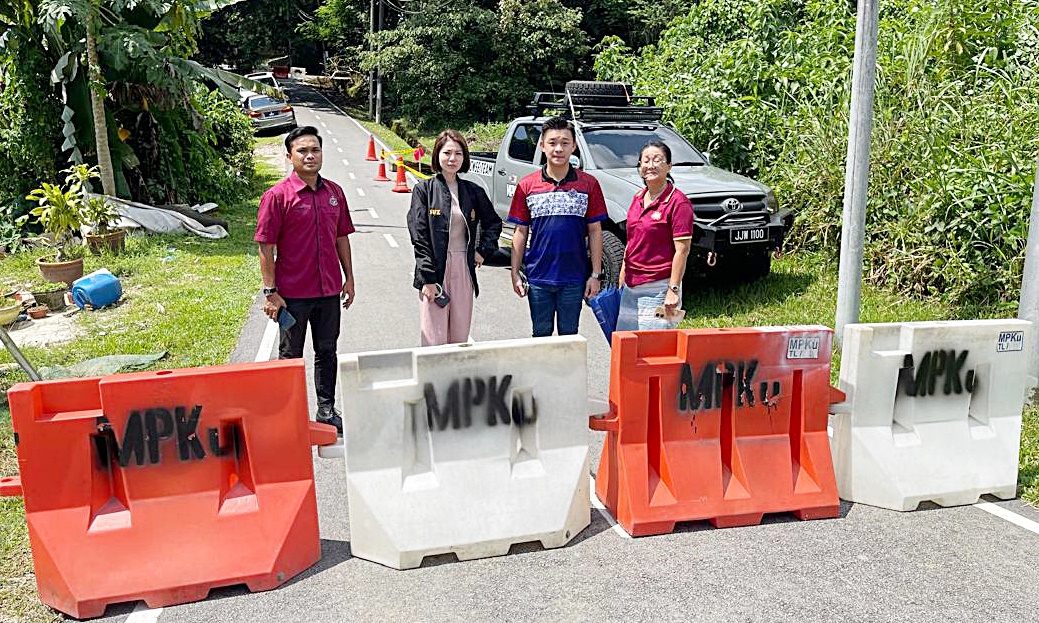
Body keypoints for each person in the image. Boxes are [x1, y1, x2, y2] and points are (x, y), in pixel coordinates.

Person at [255, 126, 355, 435]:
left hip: (328, 292)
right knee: (290, 356)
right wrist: (270, 292)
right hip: (292, 296)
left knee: (327, 351)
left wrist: (349, 278)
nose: (310, 155)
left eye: (315, 150)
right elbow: (265, 247)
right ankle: (289, 415)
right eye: (302, 151)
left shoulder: (335, 193)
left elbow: (341, 237)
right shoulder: (276, 197)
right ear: (289, 156)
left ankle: (326, 409)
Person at [508, 116, 607, 337]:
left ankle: (567, 374)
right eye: (552, 142)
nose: (558, 149)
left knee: (569, 337)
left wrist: (596, 274)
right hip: (538, 277)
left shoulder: (589, 184)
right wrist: (515, 272)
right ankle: (540, 374)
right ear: (542, 146)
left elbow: (595, 230)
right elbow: (520, 231)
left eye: (564, 143)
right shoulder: (527, 185)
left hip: (574, 277)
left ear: (574, 146)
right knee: (540, 336)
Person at [408, 129, 503, 346]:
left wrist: (482, 252)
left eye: (458, 153)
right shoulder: (424, 190)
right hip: (434, 269)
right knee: (434, 338)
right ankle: (433, 380)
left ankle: (455, 379)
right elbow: (419, 237)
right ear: (437, 155)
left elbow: (494, 223)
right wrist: (428, 279)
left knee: (459, 337)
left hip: (463, 266)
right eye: (447, 153)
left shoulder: (473, 191)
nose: (452, 159)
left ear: (465, 157)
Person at [616, 141, 694, 331]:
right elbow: (632, 240)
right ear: (640, 167)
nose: (651, 165)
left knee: (655, 346)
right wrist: (623, 274)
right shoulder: (637, 197)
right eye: (646, 161)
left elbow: (682, 250)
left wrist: (673, 290)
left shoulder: (678, 202)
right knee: (628, 344)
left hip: (659, 288)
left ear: (668, 166)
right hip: (631, 286)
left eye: (657, 160)